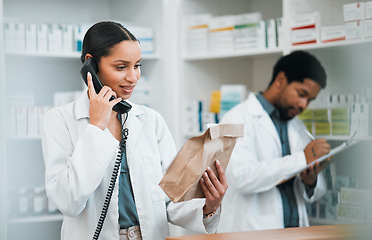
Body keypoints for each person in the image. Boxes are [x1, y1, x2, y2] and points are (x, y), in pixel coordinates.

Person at [41, 21, 227, 240]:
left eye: (137, 65)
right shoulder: (61, 120)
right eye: (121, 67)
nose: (133, 77)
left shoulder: (151, 121)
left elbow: (170, 199)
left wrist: (208, 206)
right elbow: (67, 201)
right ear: (91, 65)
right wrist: (96, 127)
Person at [217, 51, 330, 232]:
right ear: (281, 80)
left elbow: (316, 190)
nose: (304, 105)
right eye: (301, 94)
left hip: (295, 230)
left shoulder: (297, 126)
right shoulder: (236, 118)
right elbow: (241, 177)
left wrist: (310, 181)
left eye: (310, 99)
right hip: (252, 231)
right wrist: (301, 159)